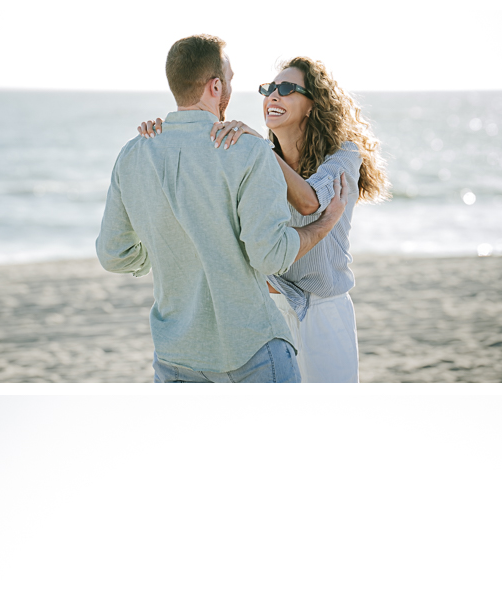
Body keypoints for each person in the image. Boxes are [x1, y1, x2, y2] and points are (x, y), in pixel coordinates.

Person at [96, 35, 348, 383]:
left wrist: (166, 250)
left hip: (175, 356)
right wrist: (322, 226)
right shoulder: (248, 151)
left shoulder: (134, 153)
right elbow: (270, 256)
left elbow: (114, 254)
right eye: (229, 79)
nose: (232, 86)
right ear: (215, 86)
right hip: (253, 351)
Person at [140, 56, 389, 383]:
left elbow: (310, 202)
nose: (272, 95)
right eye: (268, 89)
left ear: (314, 103)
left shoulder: (343, 155)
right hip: (269, 312)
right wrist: (163, 135)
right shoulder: (256, 155)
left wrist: (259, 149)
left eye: (286, 88)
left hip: (324, 313)